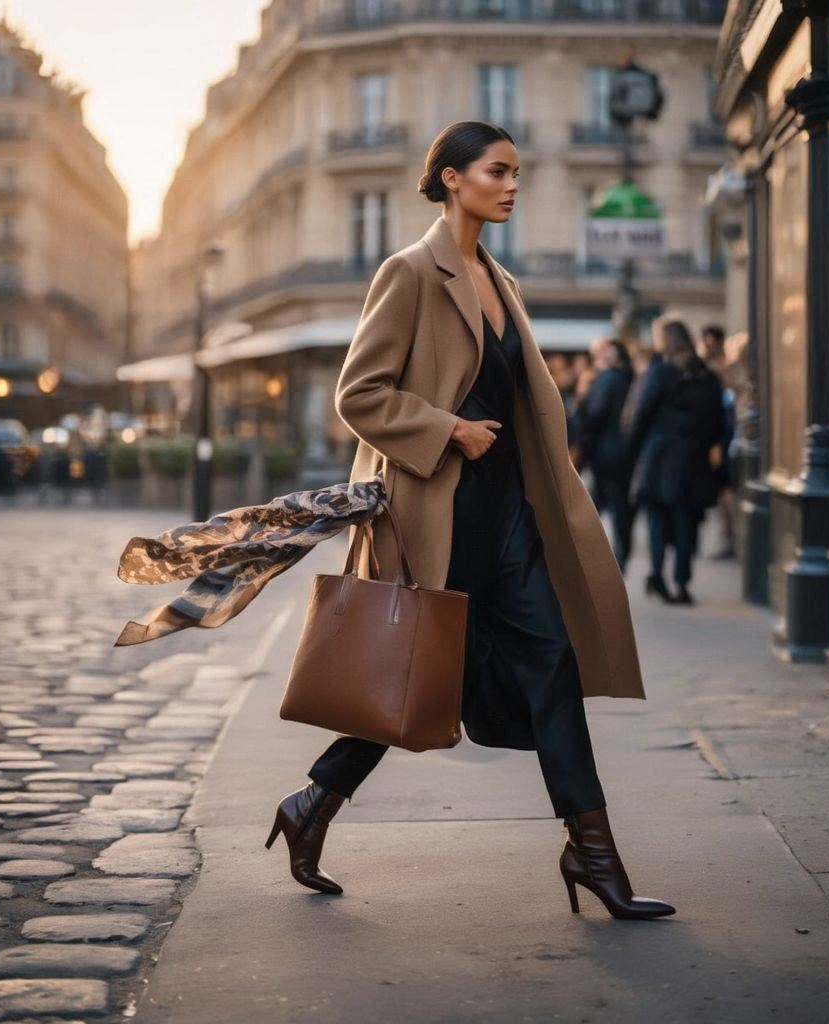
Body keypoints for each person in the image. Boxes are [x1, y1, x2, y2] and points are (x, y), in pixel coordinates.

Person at [266, 121, 674, 920]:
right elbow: (359, 393)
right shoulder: (410, 272)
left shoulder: (502, 279)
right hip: (437, 514)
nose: (514, 184)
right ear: (452, 178)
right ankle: (312, 802)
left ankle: (592, 854)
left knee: (553, 664)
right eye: (499, 170)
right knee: (413, 676)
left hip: (511, 517)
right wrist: (447, 429)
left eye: (517, 171)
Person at [625, 319, 725, 605]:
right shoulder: (708, 377)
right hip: (694, 457)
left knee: (657, 519)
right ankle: (682, 582)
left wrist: (634, 448)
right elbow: (718, 421)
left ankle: (658, 575)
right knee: (685, 521)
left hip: (659, 455)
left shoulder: (660, 372)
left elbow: (641, 413)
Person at [575, 340, 636, 571]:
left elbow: (594, 415)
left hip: (604, 453)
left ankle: (587, 553)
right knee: (618, 506)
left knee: (595, 505)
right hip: (624, 453)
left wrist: (583, 448)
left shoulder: (605, 379)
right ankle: (619, 555)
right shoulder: (632, 379)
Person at [700, 324, 736, 559]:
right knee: (721, 491)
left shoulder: (721, 369)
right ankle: (726, 536)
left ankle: (728, 537)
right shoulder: (713, 368)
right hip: (722, 432)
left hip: (725, 433)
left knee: (724, 490)